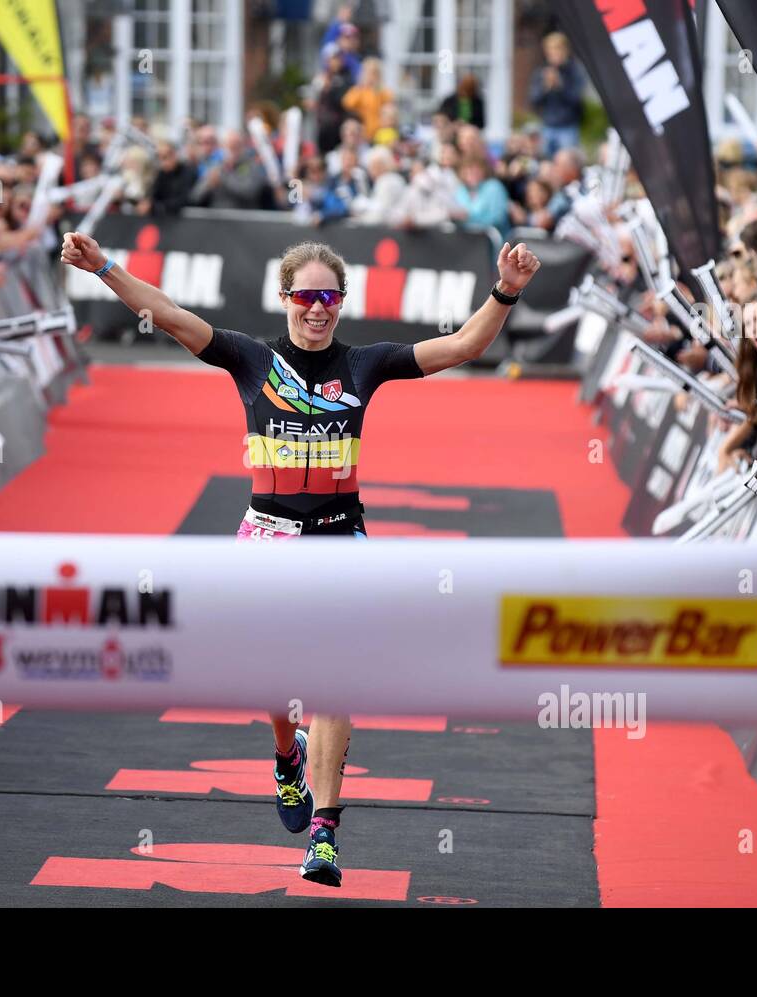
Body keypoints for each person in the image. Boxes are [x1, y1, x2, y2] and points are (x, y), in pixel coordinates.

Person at [60, 230, 542, 887]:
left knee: (335, 680)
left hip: (341, 540)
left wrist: (506, 290)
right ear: (285, 297)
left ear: (343, 302)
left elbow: (462, 346)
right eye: (307, 295)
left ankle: (324, 836)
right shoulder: (251, 360)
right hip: (266, 539)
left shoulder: (367, 364)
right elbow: (169, 313)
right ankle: (285, 756)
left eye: (331, 297)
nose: (319, 309)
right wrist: (105, 265)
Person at [529, 33, 585, 157]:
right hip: (547, 126)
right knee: (546, 163)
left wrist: (560, 86)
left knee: (567, 162)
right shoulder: (542, 72)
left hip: (568, 127)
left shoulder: (574, 71)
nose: (554, 55)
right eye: (550, 51)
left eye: (557, 50)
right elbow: (534, 100)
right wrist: (546, 87)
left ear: (565, 50)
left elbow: (576, 99)